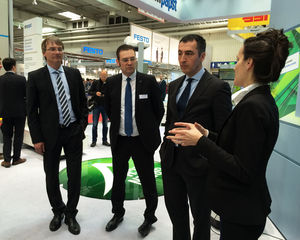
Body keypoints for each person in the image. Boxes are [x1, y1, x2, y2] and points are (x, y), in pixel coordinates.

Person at [167, 29, 291, 240]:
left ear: (249, 63)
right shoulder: (260, 101)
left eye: (237, 59)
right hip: (238, 204)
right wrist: (207, 134)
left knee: (200, 221)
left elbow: (242, 168)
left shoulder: (253, 106)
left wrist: (200, 141)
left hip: (241, 207)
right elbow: (237, 144)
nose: (235, 66)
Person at [159, 34, 232, 240]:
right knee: (177, 216)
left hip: (200, 167)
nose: (182, 59)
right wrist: (165, 149)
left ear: (202, 56)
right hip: (171, 163)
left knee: (201, 220)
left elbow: (225, 136)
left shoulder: (217, 88)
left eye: (189, 54)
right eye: (180, 53)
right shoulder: (174, 85)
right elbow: (171, 121)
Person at [27, 36, 88, 235]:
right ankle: (58, 210)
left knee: (74, 175)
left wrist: (81, 127)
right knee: (51, 175)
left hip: (72, 132)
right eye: (53, 49)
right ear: (44, 53)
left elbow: (82, 104)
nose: (57, 52)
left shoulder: (73, 73)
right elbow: (32, 111)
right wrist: (37, 138)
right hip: (49, 135)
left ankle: (71, 213)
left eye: (60, 48)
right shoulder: (35, 77)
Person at [104, 44, 165, 237]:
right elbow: (109, 109)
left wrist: (147, 129)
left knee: (147, 180)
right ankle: (117, 213)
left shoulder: (148, 81)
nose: (129, 63)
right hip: (120, 140)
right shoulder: (112, 83)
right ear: (118, 62)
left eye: (132, 58)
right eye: (125, 59)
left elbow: (159, 110)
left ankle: (149, 217)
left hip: (142, 141)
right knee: (118, 179)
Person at [0, 58, 26, 168]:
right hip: (19, 112)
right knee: (19, 135)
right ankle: (16, 158)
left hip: (4, 112)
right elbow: (26, 95)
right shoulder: (21, 79)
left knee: (6, 136)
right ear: (13, 67)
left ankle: (6, 160)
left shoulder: (0, 79)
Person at [89, 70, 110, 147]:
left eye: (105, 76)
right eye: (102, 76)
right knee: (94, 125)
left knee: (106, 125)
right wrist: (95, 93)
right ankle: (94, 141)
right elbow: (89, 92)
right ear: (100, 75)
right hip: (96, 106)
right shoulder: (95, 83)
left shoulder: (109, 83)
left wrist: (106, 95)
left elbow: (111, 93)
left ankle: (105, 140)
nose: (104, 77)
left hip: (105, 107)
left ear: (107, 76)